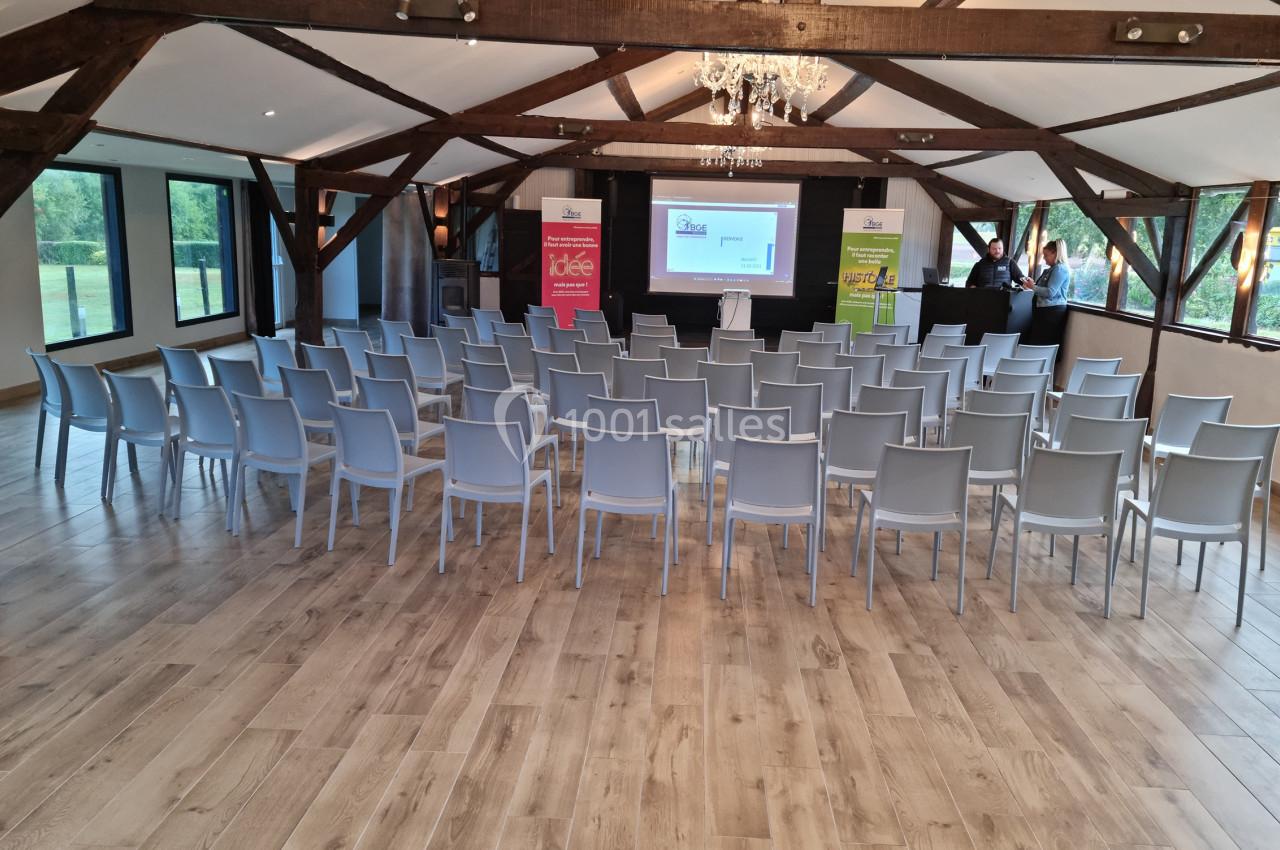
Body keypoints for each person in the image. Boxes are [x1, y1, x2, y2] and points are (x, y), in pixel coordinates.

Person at [1022, 238, 1070, 349]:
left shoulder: (1059, 269)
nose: (1044, 258)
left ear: (1055, 254)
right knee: (1038, 342)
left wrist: (1033, 287)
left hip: (1051, 312)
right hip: (1044, 311)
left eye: (1046, 255)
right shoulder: (1051, 269)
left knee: (1044, 344)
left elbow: (1050, 292)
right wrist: (1032, 285)